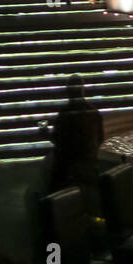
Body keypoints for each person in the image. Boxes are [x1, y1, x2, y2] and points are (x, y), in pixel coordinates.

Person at [49, 74, 104, 214]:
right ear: (82, 91)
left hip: (69, 165)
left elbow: (59, 142)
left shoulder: (65, 114)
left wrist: (44, 134)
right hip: (90, 162)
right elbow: (101, 139)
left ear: (68, 91)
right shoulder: (94, 112)